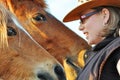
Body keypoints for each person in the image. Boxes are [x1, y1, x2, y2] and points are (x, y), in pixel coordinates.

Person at [63, 0, 120, 80]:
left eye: (83, 19)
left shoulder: (117, 48)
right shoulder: (94, 55)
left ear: (105, 15)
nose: (80, 27)